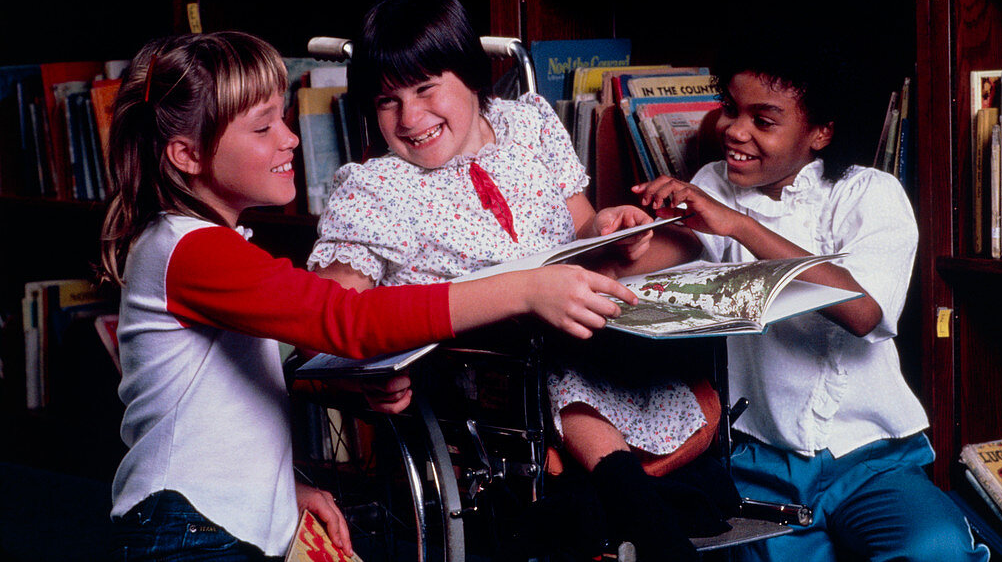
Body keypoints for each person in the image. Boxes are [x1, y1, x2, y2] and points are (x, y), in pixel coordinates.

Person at [99, 30, 639, 562]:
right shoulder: (190, 251)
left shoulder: (204, 245)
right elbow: (346, 320)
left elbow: (218, 401)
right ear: (187, 156)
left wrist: (283, 483)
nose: (289, 139)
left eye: (284, 118)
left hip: (210, 519)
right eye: (264, 127)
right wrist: (521, 289)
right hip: (186, 530)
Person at [308, 0, 725, 560]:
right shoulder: (375, 189)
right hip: (481, 377)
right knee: (552, 362)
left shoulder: (529, 126)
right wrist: (368, 368)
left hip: (585, 334)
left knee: (653, 325)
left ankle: (638, 500)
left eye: (426, 90)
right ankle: (651, 526)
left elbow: (579, 231)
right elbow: (329, 312)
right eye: (387, 102)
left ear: (473, 77)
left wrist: (610, 228)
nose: (410, 119)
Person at [627, 37, 991, 562]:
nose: (734, 130)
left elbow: (863, 312)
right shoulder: (713, 184)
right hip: (758, 461)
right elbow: (658, 255)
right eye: (730, 108)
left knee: (934, 547)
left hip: (872, 459)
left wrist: (740, 225)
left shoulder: (870, 194)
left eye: (764, 120)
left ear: (820, 132)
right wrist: (614, 230)